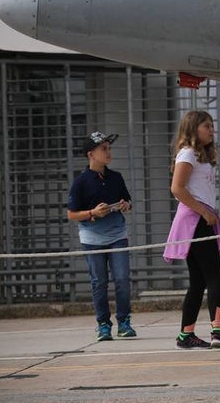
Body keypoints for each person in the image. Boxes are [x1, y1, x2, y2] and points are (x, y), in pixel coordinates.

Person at [163, 111, 220, 349]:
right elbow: (177, 188)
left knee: (198, 280)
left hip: (201, 217)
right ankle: (218, 329)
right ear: (193, 128)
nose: (211, 130)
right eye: (207, 126)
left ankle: (186, 335)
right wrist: (203, 211)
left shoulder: (200, 156)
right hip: (195, 220)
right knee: (214, 275)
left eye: (212, 126)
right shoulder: (187, 153)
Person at [67, 131, 135, 341]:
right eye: (103, 149)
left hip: (117, 235)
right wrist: (92, 213)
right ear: (91, 154)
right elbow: (71, 214)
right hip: (92, 239)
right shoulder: (80, 182)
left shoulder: (116, 177)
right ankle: (103, 324)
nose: (108, 152)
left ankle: (124, 322)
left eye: (109, 148)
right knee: (99, 282)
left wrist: (125, 205)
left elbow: (129, 202)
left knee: (122, 279)